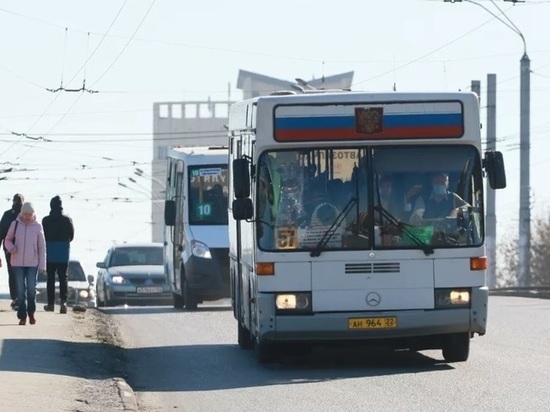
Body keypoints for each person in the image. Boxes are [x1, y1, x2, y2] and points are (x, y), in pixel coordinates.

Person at [4, 202, 46, 325]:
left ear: (33, 214)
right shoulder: (15, 224)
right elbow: (7, 240)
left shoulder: (38, 227)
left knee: (32, 290)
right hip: (17, 263)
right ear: (22, 213)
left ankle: (31, 313)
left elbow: (41, 247)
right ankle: (22, 316)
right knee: (20, 291)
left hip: (32, 263)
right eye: (25, 214)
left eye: (30, 214)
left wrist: (42, 265)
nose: (27, 217)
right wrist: (11, 248)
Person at [42, 195, 75, 314]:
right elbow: (71, 236)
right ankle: (63, 303)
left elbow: (43, 236)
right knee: (63, 278)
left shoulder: (45, 220)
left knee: (50, 279)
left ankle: (51, 304)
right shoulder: (67, 220)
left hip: (50, 251)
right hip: (63, 252)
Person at [0, 193, 24, 310]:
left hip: (9, 249)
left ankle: (15, 298)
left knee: (12, 273)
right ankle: (20, 298)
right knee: (22, 273)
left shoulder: (7, 215)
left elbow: (0, 235)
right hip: (24, 249)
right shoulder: (26, 215)